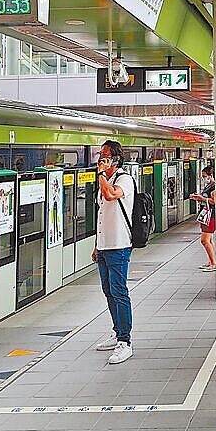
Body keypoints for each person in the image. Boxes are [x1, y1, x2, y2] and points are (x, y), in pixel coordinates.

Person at [92, 140, 135, 365]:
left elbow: (110, 197)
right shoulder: (105, 181)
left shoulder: (124, 179)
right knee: (108, 290)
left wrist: (101, 175)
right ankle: (117, 330)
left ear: (116, 159)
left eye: (105, 156)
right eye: (100, 155)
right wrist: (97, 245)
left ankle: (125, 341)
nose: (101, 159)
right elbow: (102, 215)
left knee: (119, 291)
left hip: (119, 245)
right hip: (104, 246)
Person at [191, 165, 216, 272]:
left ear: (211, 176)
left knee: (204, 240)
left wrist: (201, 198)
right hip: (206, 215)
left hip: (211, 216)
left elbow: (214, 201)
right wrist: (199, 198)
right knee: (209, 240)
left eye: (205, 176)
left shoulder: (214, 186)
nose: (203, 178)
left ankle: (214, 263)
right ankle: (212, 261)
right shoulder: (208, 186)